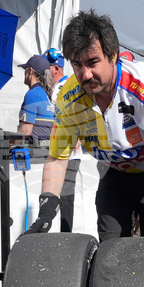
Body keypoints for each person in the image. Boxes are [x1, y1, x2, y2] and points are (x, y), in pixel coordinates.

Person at [24, 9, 144, 282]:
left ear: (113, 56)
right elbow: (57, 157)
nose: (86, 74)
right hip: (117, 174)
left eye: (92, 62)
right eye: (77, 65)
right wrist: (46, 212)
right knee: (110, 255)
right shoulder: (68, 97)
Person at [44, 47, 80, 232]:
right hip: (58, 149)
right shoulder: (55, 88)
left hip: (71, 151)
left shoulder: (70, 85)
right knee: (53, 193)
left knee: (66, 196)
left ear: (56, 68)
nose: (44, 72)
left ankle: (66, 233)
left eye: (47, 67)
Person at [16, 54, 55, 151]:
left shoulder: (33, 94)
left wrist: (5, 142)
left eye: (25, 69)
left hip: (34, 151)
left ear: (30, 71)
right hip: (46, 150)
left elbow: (26, 131)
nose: (24, 73)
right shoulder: (46, 94)